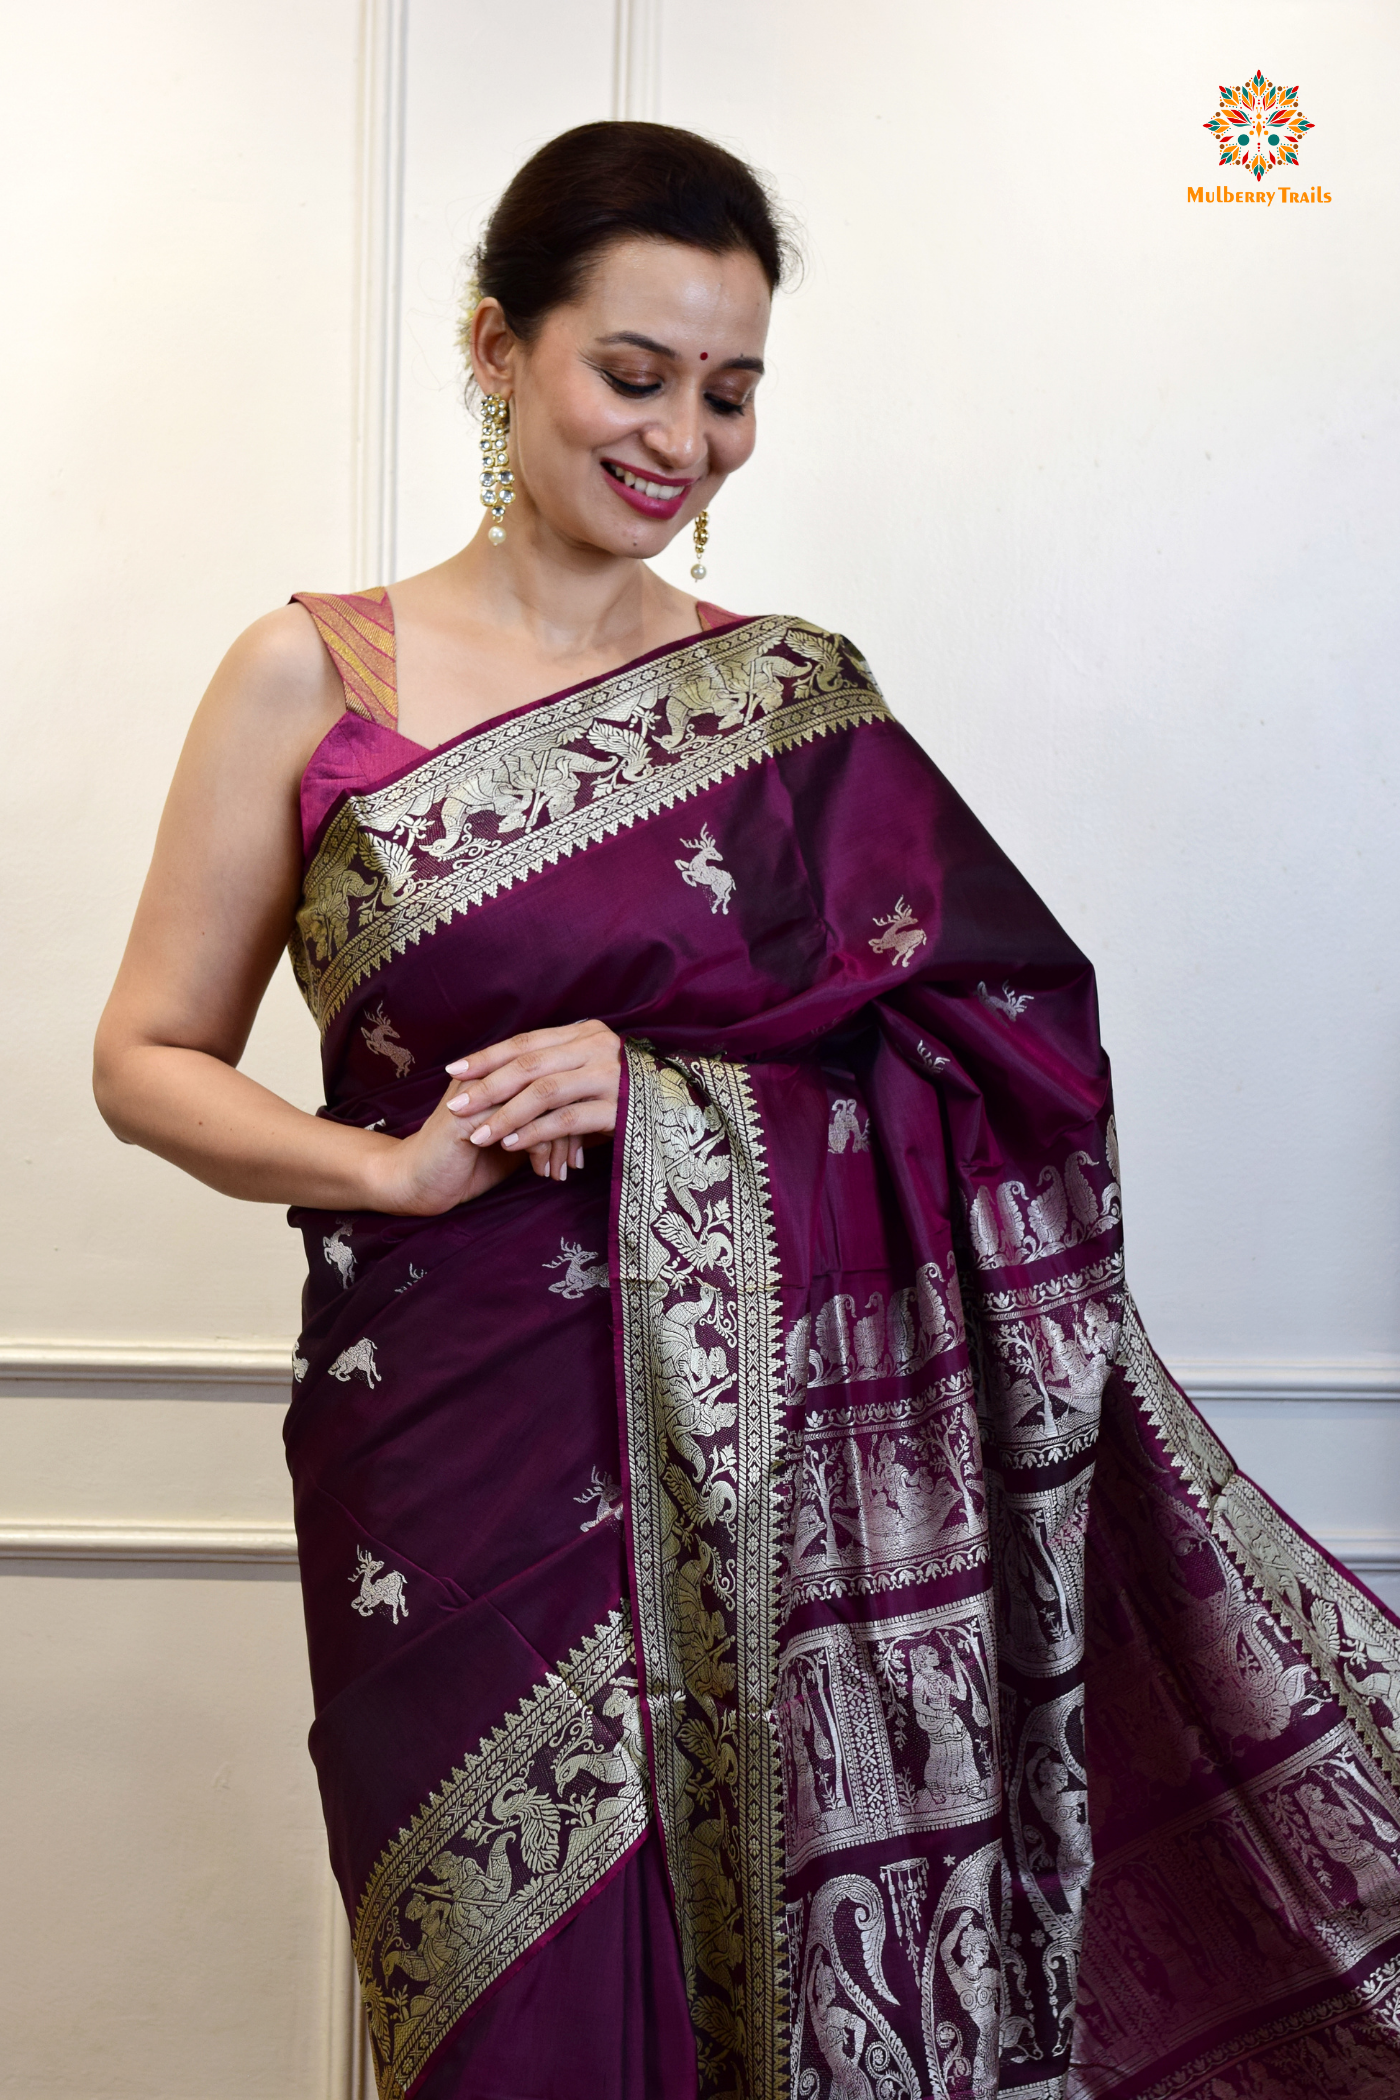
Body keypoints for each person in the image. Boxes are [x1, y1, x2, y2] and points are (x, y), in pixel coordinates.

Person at [94, 121, 1400, 2100]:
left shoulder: (791, 706)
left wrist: (667, 1097)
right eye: (634, 374)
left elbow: (1013, 1056)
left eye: (729, 391)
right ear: (494, 348)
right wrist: (384, 1162)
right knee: (503, 2020)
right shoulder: (311, 679)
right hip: (447, 1446)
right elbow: (148, 1056)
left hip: (777, 1482)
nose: (681, 438)